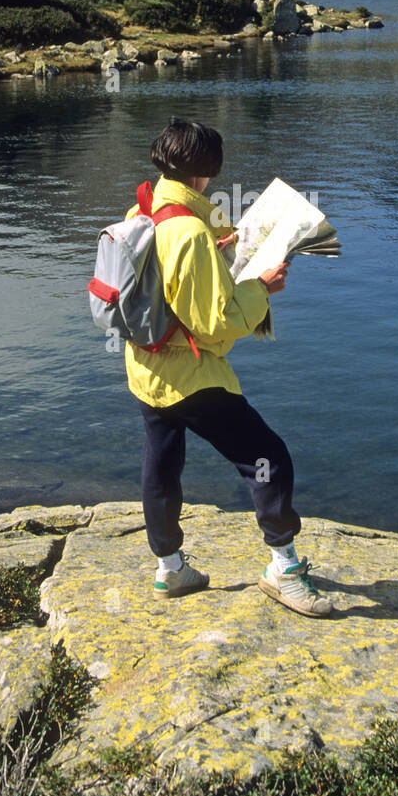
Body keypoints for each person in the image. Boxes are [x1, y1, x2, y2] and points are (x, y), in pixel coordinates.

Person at [123, 117, 332, 618]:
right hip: (190, 378)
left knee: (161, 466)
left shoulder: (145, 208)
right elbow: (214, 326)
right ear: (207, 170)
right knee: (268, 458)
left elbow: (166, 283)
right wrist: (261, 287)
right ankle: (283, 570)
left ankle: (170, 567)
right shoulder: (191, 233)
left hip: (145, 368)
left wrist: (217, 258)